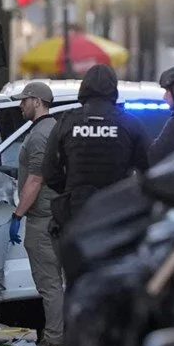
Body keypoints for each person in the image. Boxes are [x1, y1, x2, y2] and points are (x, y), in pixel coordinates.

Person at [42, 65, 150, 259]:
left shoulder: (66, 122)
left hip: (76, 213)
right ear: (113, 89)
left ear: (84, 87)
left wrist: (71, 190)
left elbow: (49, 171)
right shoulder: (130, 123)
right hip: (116, 211)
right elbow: (148, 170)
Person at [8, 82, 65, 346]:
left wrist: (18, 214)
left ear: (38, 101)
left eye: (24, 100)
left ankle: (54, 345)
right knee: (57, 283)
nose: (20, 105)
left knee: (49, 284)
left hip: (42, 218)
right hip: (53, 215)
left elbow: (35, 178)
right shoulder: (51, 130)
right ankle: (59, 340)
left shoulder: (41, 135)